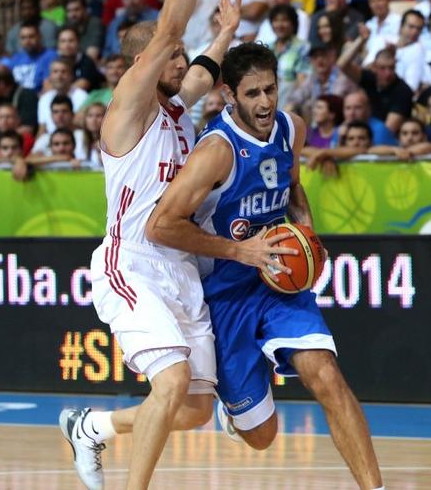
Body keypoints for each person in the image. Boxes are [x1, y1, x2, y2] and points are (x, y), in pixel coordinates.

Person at [59, 0, 242, 490]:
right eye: (175, 56)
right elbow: (168, 30)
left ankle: (91, 428)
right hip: (131, 262)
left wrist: (224, 36)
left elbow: (199, 77)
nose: (183, 65)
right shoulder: (128, 110)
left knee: (192, 408)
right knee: (167, 386)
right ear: (148, 62)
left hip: (179, 266)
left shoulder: (173, 110)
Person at [146, 40, 384, 490]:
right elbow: (161, 226)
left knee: (327, 376)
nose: (265, 102)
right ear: (230, 95)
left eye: (270, 89)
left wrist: (307, 232)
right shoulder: (214, 152)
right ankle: (235, 414)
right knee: (262, 437)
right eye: (252, 93)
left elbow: (294, 189)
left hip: (279, 286)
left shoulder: (292, 128)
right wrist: (242, 251)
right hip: (226, 295)